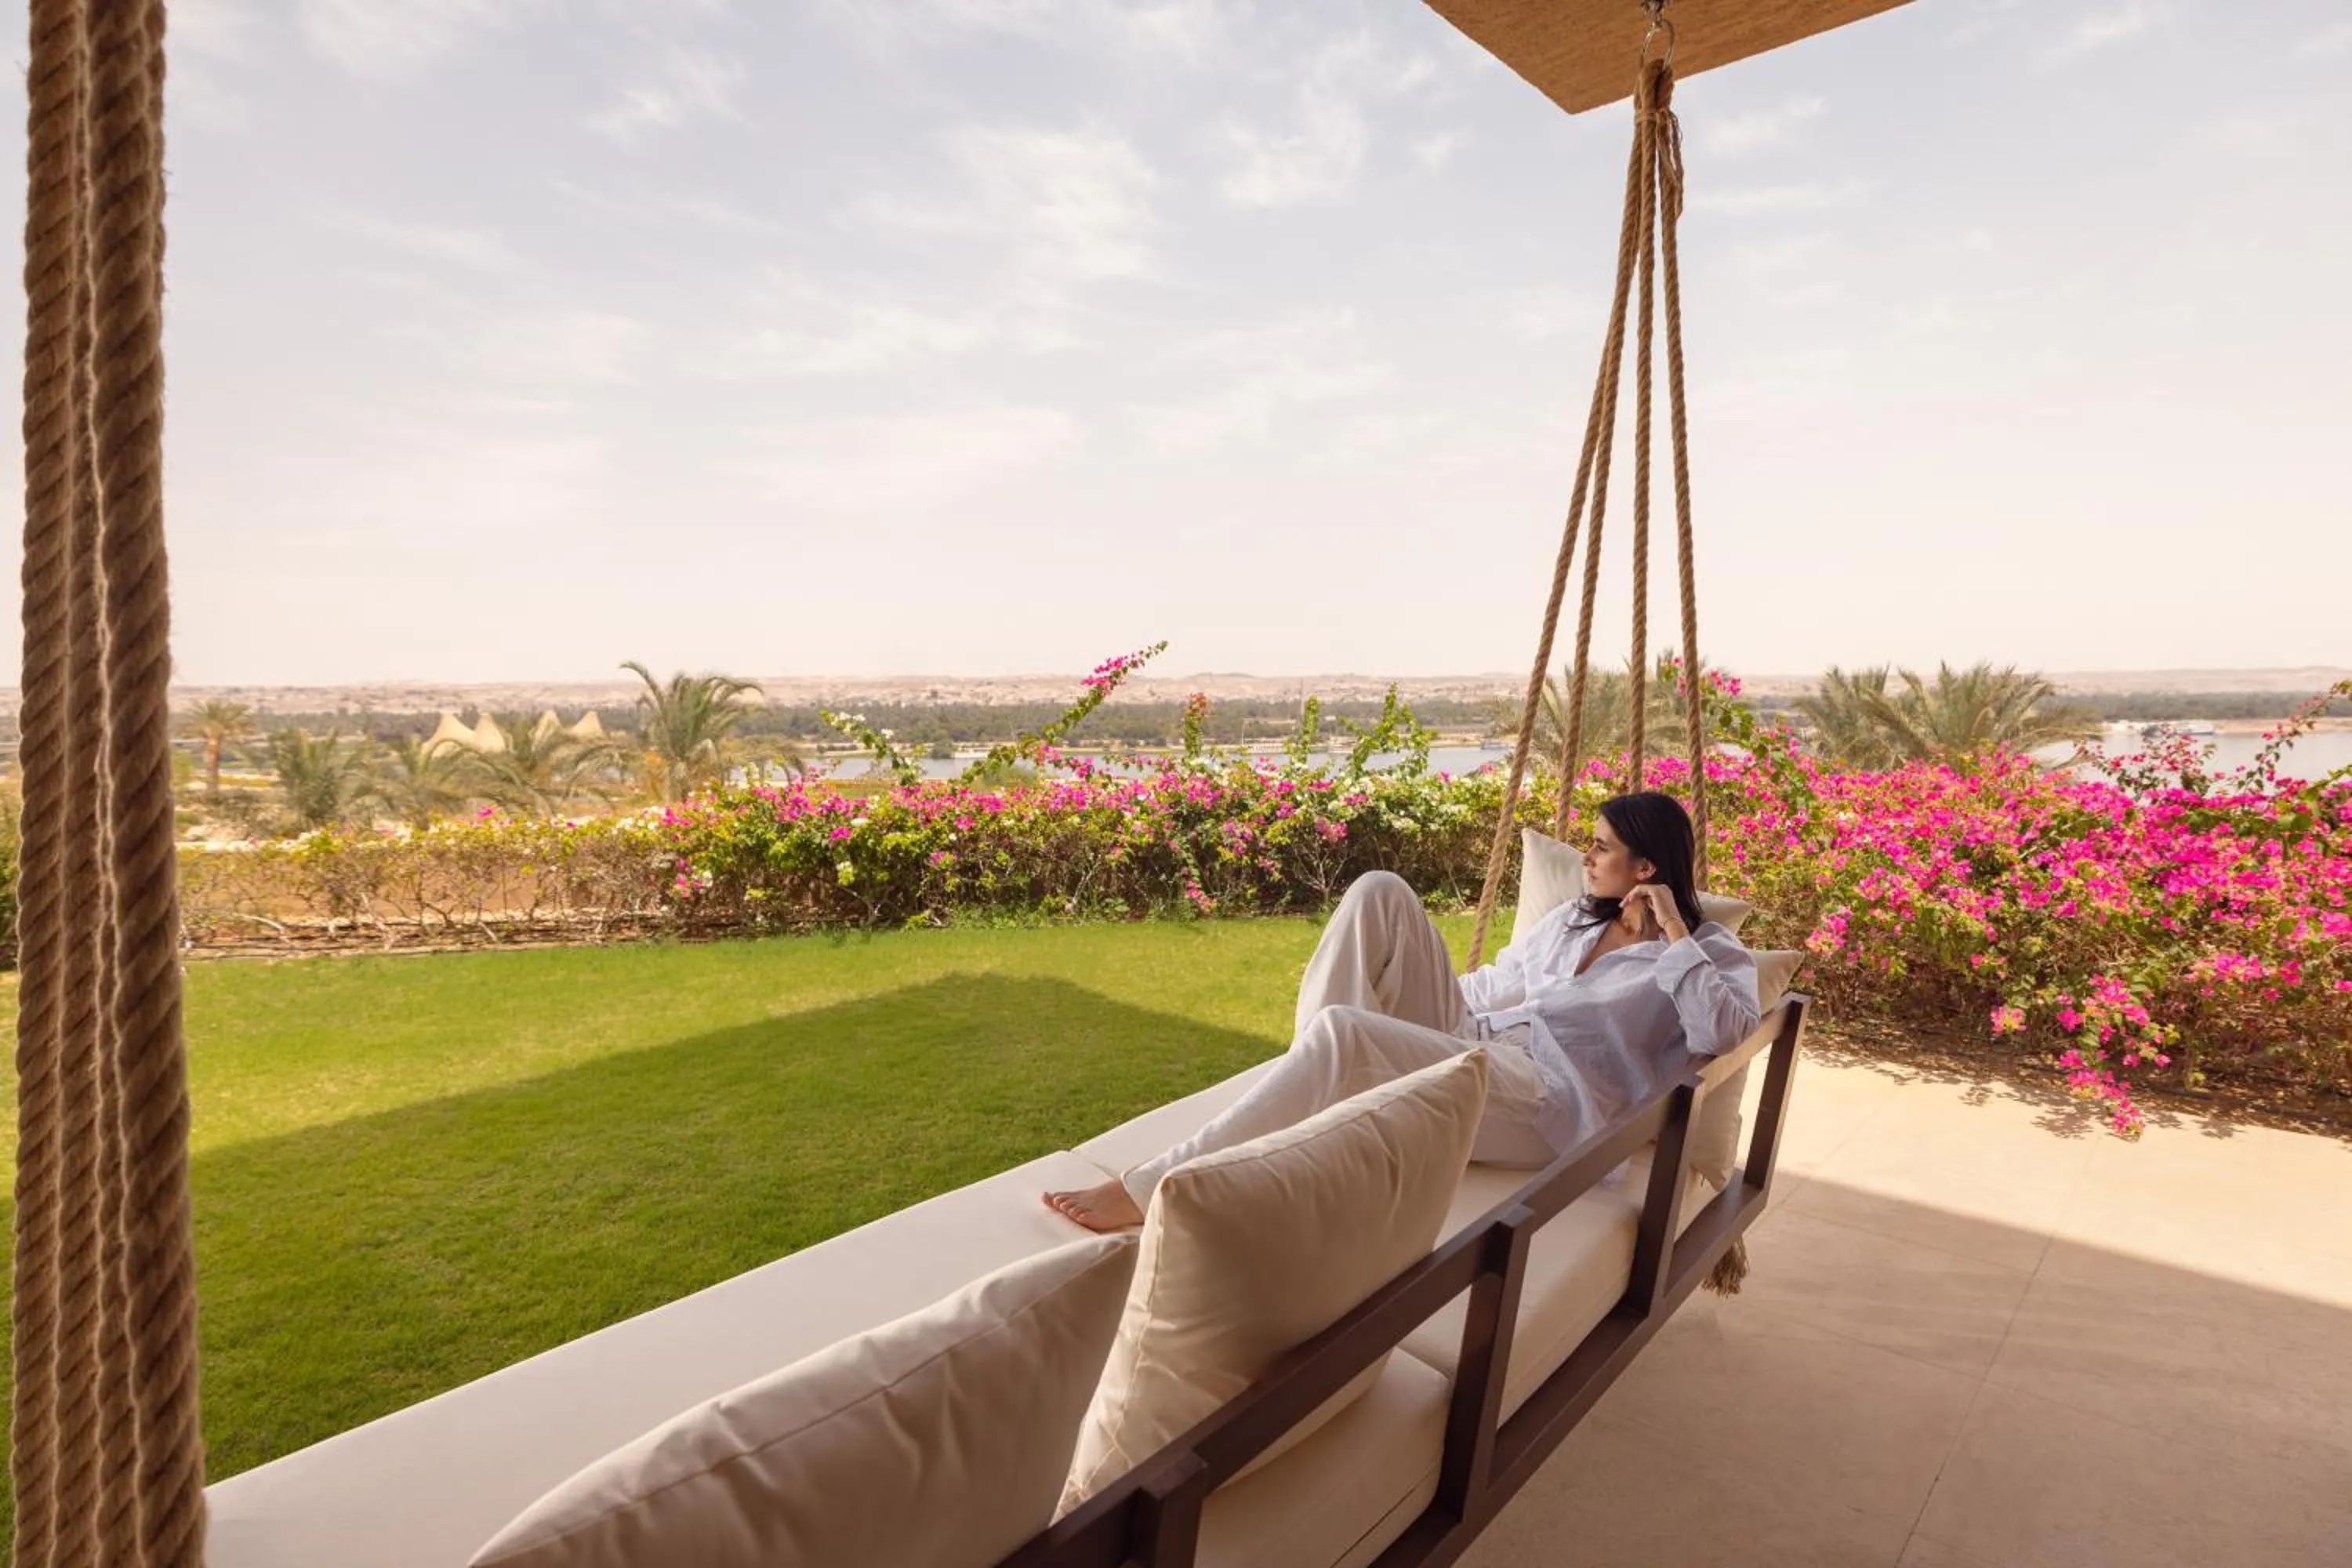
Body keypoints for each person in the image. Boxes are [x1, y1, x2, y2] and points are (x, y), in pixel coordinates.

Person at [1044, 790, 1762, 1232]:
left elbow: (1725, 1034)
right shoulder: (1578, 918)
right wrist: (1425, 1008)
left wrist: (1672, 935)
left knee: (1346, 1035)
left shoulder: (1709, 952)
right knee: (1380, 890)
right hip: (1478, 1043)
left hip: (1547, 1102)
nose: (1585, 857)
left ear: (1647, 868)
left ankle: (1149, 1190)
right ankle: (1315, 1076)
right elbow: (1501, 981)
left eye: (1601, 849)